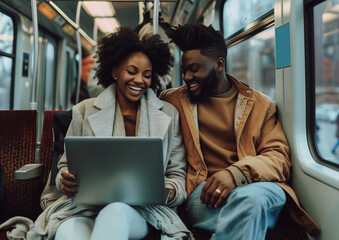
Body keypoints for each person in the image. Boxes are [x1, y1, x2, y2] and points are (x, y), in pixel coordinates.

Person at [1, 27, 192, 240]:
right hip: (84, 207)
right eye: (132, 71)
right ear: (114, 72)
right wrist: (64, 180)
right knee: (66, 233)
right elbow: (65, 166)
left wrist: (167, 191)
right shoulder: (84, 110)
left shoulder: (168, 114)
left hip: (143, 211)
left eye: (147, 75)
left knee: (115, 212)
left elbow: (177, 175)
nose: (140, 80)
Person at [159, 24, 320, 239]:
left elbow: (278, 157)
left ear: (219, 64)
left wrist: (236, 174)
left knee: (251, 201)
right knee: (250, 211)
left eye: (195, 69)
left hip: (256, 187)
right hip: (205, 194)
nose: (187, 77)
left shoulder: (259, 105)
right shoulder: (173, 101)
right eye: (184, 70)